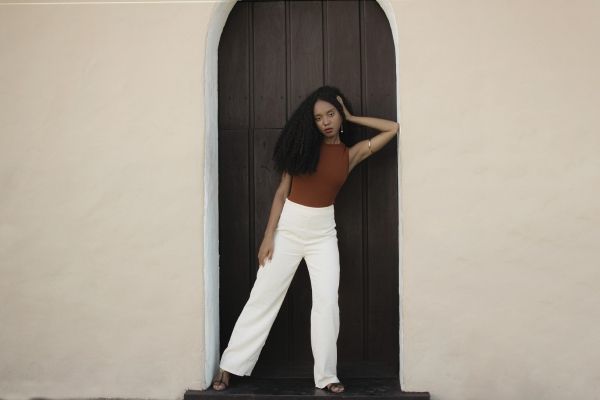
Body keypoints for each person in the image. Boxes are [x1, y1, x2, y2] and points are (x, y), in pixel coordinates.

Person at [212, 85, 399, 393]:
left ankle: (327, 376)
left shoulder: (349, 154)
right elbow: (281, 193)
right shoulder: (302, 150)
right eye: (318, 118)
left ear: (340, 116)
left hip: (324, 234)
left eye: (331, 114)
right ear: (310, 123)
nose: (325, 122)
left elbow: (393, 128)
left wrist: (353, 116)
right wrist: (267, 237)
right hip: (288, 230)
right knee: (263, 297)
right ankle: (229, 366)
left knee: (327, 304)